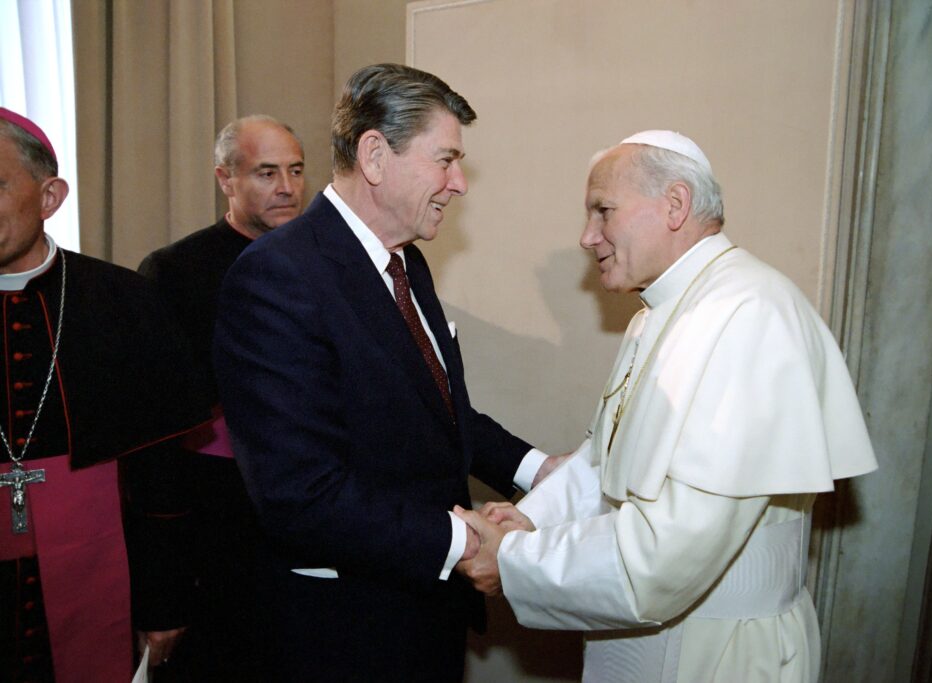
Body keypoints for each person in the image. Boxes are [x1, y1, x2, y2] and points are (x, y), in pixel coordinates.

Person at [454, 130, 879, 682]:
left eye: (603, 211)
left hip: (716, 651)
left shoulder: (748, 316)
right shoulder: (658, 312)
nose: (588, 237)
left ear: (675, 204)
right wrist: (529, 519)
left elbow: (669, 554)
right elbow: (603, 464)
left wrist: (513, 561)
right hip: (648, 636)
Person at [212, 63, 561, 682]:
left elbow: (440, 411)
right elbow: (300, 492)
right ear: (375, 155)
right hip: (348, 629)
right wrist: (465, 545)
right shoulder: (278, 277)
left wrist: (538, 469)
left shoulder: (407, 263)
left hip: (425, 609)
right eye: (445, 160)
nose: (459, 184)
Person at [0, 108, 208, 681]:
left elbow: (159, 475)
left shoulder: (122, 301)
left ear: (50, 197)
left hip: (94, 570)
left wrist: (163, 599)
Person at [137, 114, 305, 680]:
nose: (286, 186)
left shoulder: (326, 259)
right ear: (225, 180)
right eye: (266, 172)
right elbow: (158, 429)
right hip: (218, 513)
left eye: (296, 170)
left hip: (311, 503)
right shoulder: (174, 271)